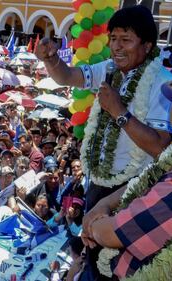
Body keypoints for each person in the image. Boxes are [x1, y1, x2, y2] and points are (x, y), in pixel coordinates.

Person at [35, 5, 172, 210]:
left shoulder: (163, 82)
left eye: (125, 40)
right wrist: (51, 59)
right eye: (113, 38)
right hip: (99, 182)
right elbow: (67, 76)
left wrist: (118, 112)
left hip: (134, 190)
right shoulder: (109, 68)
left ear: (147, 46)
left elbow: (160, 148)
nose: (116, 46)